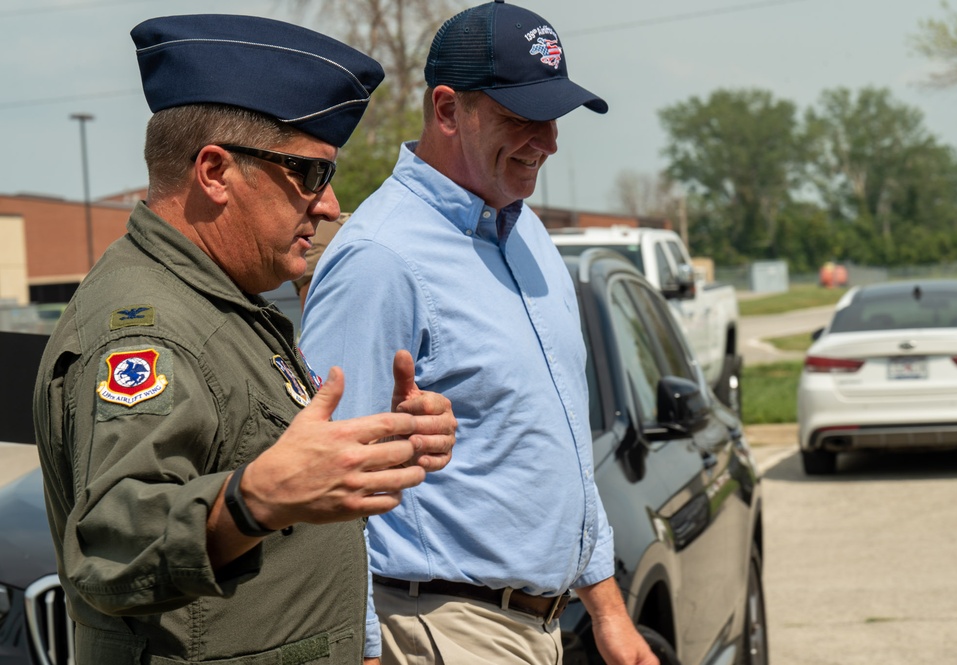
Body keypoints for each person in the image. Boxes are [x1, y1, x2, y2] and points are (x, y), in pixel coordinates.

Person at [31, 14, 456, 665]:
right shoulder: (150, 328)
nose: (328, 202)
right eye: (309, 174)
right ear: (214, 171)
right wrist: (254, 496)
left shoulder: (222, 301)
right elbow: (112, 547)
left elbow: (255, 455)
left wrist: (378, 443)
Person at [299, 2, 658, 663]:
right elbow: (328, 490)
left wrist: (606, 608)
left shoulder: (525, 231)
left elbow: (557, 453)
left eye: (553, 117)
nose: (547, 140)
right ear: (446, 110)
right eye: (521, 117)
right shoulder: (381, 258)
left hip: (536, 628)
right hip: (439, 629)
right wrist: (365, 649)